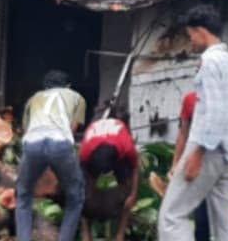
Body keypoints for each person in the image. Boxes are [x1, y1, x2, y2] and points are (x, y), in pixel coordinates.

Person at [159, 5, 228, 241]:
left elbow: (213, 110)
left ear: (200, 31)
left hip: (207, 150)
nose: (191, 42)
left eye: (190, 35)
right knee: (224, 224)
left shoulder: (209, 61)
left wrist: (197, 154)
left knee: (171, 216)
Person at [173, 86, 228, 241]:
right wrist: (175, 163)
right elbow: (183, 133)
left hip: (223, 165)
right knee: (201, 220)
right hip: (200, 167)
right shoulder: (190, 101)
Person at [17, 70, 88, 241]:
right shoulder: (77, 97)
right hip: (60, 143)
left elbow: (26, 129)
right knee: (75, 197)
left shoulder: (34, 98)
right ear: (67, 86)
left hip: (32, 144)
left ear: (45, 86)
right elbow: (73, 127)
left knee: (24, 196)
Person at [78, 108, 140, 241]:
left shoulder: (126, 147)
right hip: (93, 155)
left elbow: (135, 167)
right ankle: (86, 235)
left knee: (128, 190)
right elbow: (80, 177)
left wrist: (133, 195)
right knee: (82, 194)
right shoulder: (85, 151)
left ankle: (119, 235)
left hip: (117, 151)